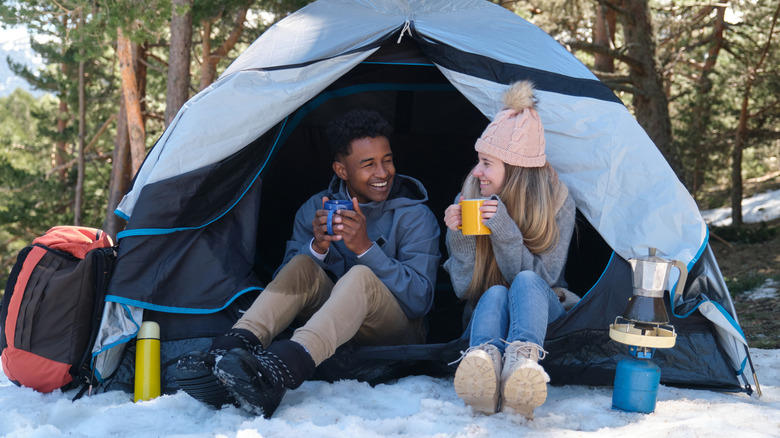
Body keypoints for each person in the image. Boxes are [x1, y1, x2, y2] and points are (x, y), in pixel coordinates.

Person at [174, 109, 441, 418]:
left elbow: (420, 300)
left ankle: (281, 370)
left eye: (388, 160)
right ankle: (226, 351)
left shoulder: (414, 216)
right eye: (368, 164)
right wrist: (317, 248)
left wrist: (366, 249)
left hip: (394, 337)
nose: (383, 173)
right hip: (331, 334)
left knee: (361, 275)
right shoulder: (316, 209)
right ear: (341, 170)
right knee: (303, 263)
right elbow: (286, 285)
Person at [443, 81, 578, 419]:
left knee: (527, 281)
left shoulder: (558, 203)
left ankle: (522, 365)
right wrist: (459, 237)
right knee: (494, 293)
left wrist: (505, 232)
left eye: (487, 163)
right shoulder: (471, 196)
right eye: (479, 161)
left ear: (515, 170)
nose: (476, 171)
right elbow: (463, 289)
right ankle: (483, 366)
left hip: (543, 321)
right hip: (486, 316)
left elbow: (541, 282)